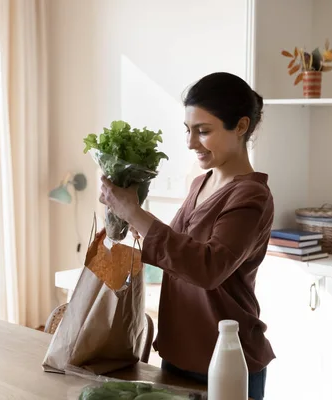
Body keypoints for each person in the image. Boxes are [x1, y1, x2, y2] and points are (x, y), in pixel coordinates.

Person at [98, 71, 275, 400]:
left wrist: (133, 212)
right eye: (188, 130)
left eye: (203, 131)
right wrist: (122, 208)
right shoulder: (201, 183)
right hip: (178, 352)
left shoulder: (252, 196)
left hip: (226, 360)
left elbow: (206, 267)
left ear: (241, 126)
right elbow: (176, 249)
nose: (191, 142)